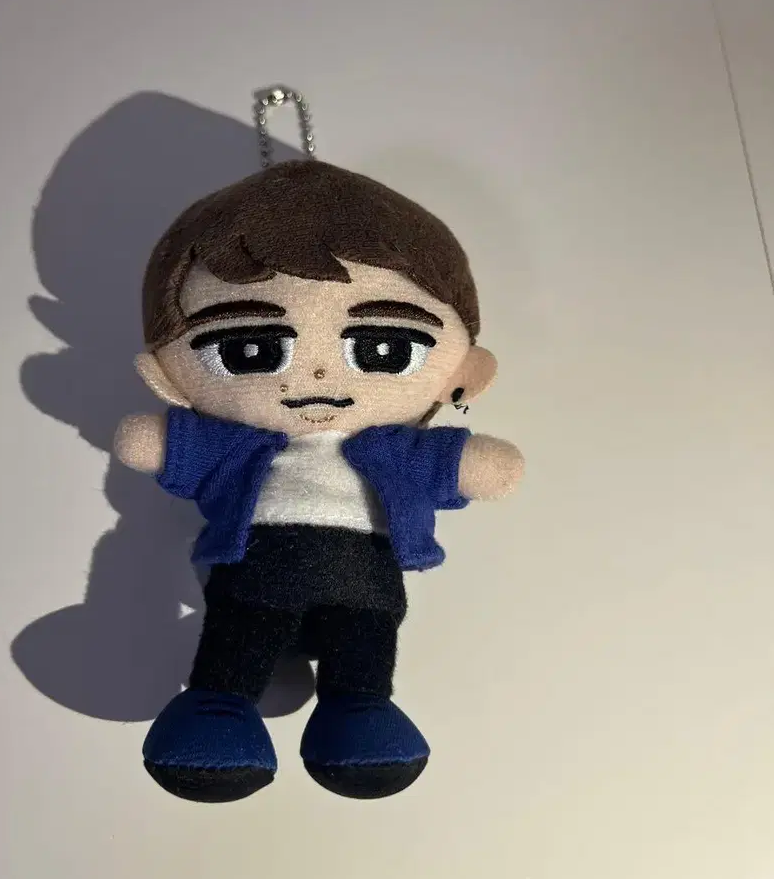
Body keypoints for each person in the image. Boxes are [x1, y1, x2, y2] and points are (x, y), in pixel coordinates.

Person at [115, 159, 524, 802]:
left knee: (361, 649)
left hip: (359, 585)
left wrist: (476, 464)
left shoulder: (396, 449)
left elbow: (471, 467)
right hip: (257, 580)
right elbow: (157, 444)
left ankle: (356, 708)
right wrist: (158, 441)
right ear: (166, 375)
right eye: (250, 349)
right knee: (237, 638)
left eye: (383, 349)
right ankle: (220, 707)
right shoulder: (237, 442)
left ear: (463, 373)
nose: (316, 378)